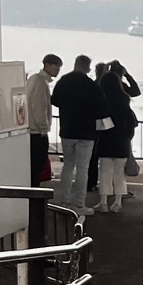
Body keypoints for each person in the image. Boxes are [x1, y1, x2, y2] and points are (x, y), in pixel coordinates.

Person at [51, 54, 105, 214]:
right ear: (87, 67)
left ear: (75, 64)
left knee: (68, 166)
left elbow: (54, 100)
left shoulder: (64, 81)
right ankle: (79, 204)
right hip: (87, 133)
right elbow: (102, 109)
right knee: (83, 169)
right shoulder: (91, 85)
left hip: (67, 130)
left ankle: (64, 201)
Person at [92, 60, 141, 213]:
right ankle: (118, 203)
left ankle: (103, 202)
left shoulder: (102, 101)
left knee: (104, 172)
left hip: (105, 140)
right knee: (119, 173)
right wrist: (127, 136)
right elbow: (132, 122)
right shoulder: (124, 101)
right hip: (122, 142)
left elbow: (98, 119)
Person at [27, 53, 61, 187]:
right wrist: (43, 129)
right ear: (48, 65)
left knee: (32, 166)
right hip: (37, 132)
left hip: (30, 130)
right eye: (56, 66)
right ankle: (34, 193)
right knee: (37, 165)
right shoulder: (41, 82)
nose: (58, 70)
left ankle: (31, 190)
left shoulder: (33, 79)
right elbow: (39, 108)